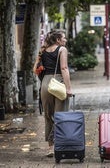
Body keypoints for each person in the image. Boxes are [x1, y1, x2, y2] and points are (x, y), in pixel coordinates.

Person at [33, 29, 72, 157]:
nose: (65, 40)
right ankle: (59, 146)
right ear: (58, 40)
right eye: (64, 38)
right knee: (60, 115)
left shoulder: (43, 50)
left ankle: (51, 148)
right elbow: (64, 68)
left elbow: (35, 69)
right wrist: (69, 88)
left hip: (45, 83)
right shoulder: (62, 50)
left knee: (48, 116)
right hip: (58, 82)